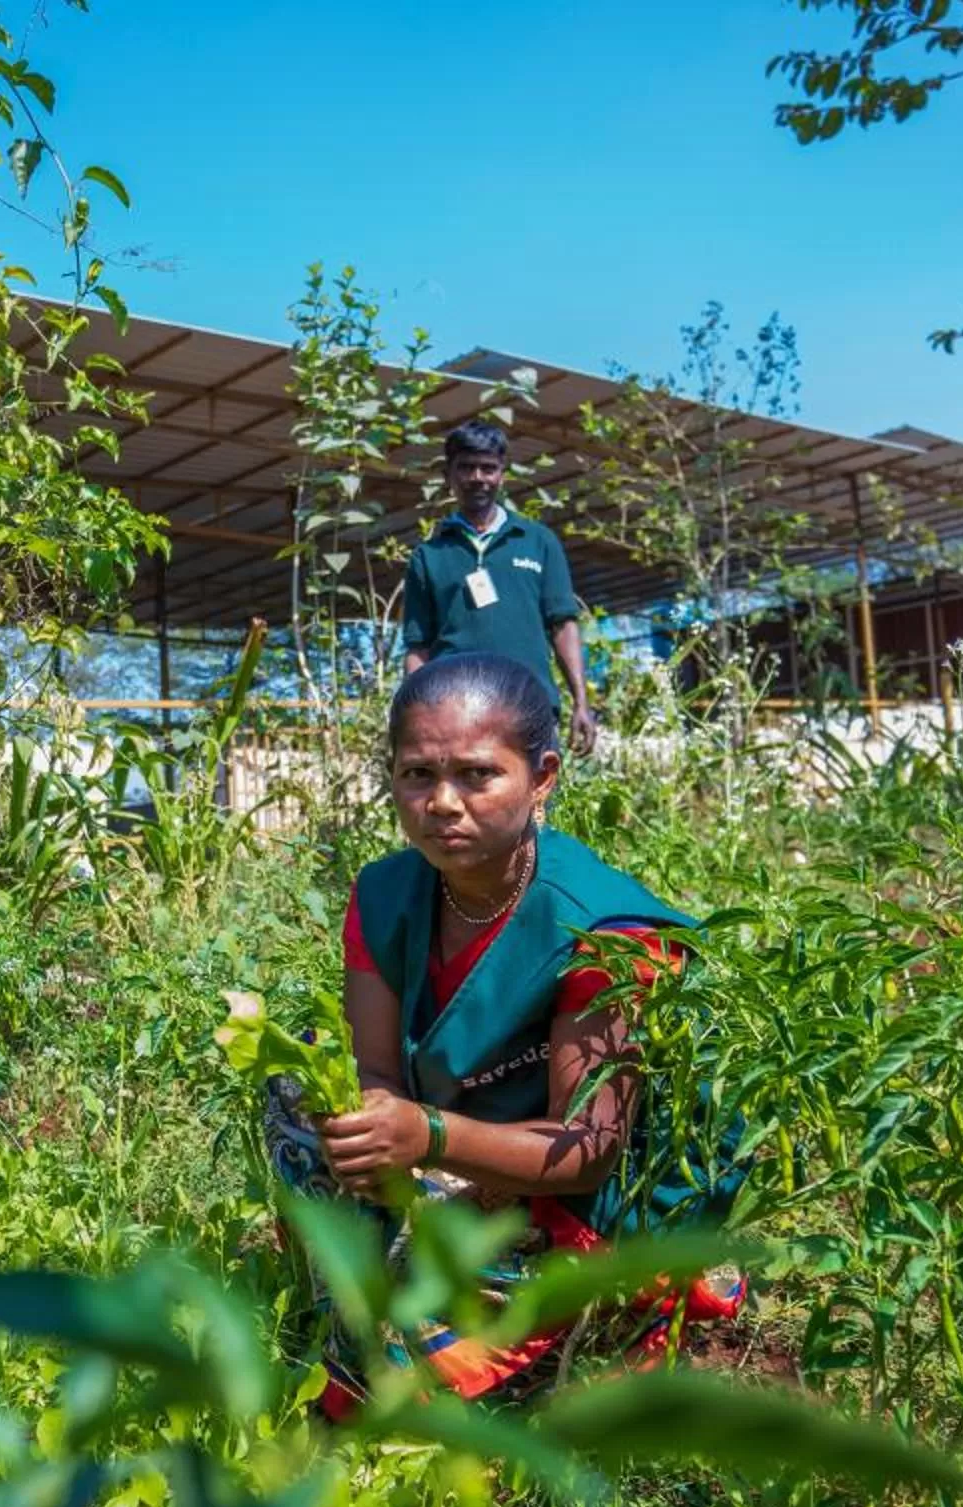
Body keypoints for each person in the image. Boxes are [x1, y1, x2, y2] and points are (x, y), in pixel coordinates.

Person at [262, 653, 740, 1412]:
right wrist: (380, 1140)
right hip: (444, 1151)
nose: (443, 802)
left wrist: (427, 1140)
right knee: (297, 1088)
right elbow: (376, 1065)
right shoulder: (385, 892)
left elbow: (590, 1148)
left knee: (404, 1367)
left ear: (542, 777)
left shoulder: (602, 930)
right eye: (417, 775)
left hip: (562, 1186)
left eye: (478, 775)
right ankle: (381, 1269)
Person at [399, 420, 600, 755]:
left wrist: (581, 702)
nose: (478, 478)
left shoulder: (538, 542)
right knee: (466, 806)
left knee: (537, 805)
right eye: (466, 468)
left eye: (488, 468)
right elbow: (418, 648)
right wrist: (410, 714)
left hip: (529, 705)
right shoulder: (429, 556)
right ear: (449, 475)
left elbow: (563, 624)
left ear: (502, 475)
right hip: (457, 713)